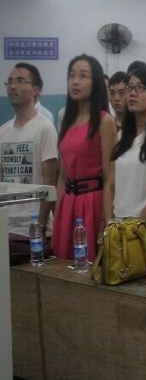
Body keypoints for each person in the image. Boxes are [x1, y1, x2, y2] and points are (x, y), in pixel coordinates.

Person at [52, 54, 117, 261]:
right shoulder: (67, 120)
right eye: (71, 76)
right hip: (67, 203)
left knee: (90, 266)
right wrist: (59, 210)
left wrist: (104, 219)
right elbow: (62, 177)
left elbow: (110, 176)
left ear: (95, 82)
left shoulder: (105, 121)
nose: (75, 81)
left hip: (92, 203)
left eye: (83, 76)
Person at [104, 68, 146, 234]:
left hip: (144, 226)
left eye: (140, 88)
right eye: (130, 88)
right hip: (116, 226)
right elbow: (110, 185)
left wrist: (137, 228)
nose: (133, 93)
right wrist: (109, 223)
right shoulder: (120, 136)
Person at [0, 63, 58, 240]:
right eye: (10, 82)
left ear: (35, 90)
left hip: (34, 224)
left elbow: (49, 182)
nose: (13, 87)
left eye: (20, 81)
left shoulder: (45, 128)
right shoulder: (3, 131)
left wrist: (40, 227)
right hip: (6, 223)